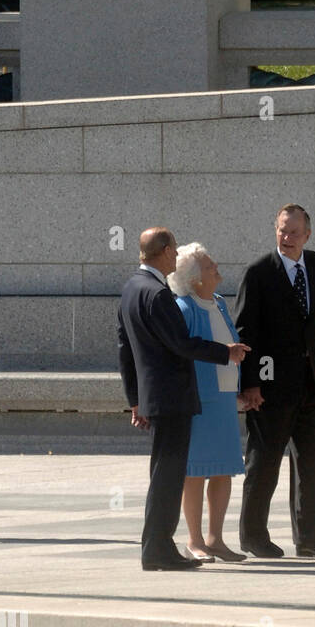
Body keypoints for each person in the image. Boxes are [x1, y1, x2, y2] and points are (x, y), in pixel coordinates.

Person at [117, 227, 249, 571]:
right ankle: (159, 549)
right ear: (162, 251)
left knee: (164, 475)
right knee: (169, 477)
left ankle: (157, 547)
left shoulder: (132, 288)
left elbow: (125, 351)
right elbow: (182, 344)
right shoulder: (159, 295)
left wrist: (135, 398)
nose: (176, 256)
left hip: (156, 398)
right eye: (173, 250)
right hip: (172, 398)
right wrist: (227, 352)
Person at [235, 204, 315, 559]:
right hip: (269, 387)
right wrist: (249, 385)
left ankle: (310, 539)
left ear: (307, 235)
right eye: (282, 230)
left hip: (310, 383)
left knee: (311, 466)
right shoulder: (258, 272)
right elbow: (244, 331)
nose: (287, 238)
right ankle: (253, 536)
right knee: (263, 463)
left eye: (294, 232)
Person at [169, 243, 247, 563]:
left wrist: (239, 390)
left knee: (223, 470)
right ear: (195, 278)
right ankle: (194, 539)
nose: (217, 267)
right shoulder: (184, 307)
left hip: (225, 398)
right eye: (210, 265)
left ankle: (216, 538)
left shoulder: (218, 303)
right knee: (195, 471)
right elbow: (183, 353)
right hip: (200, 401)